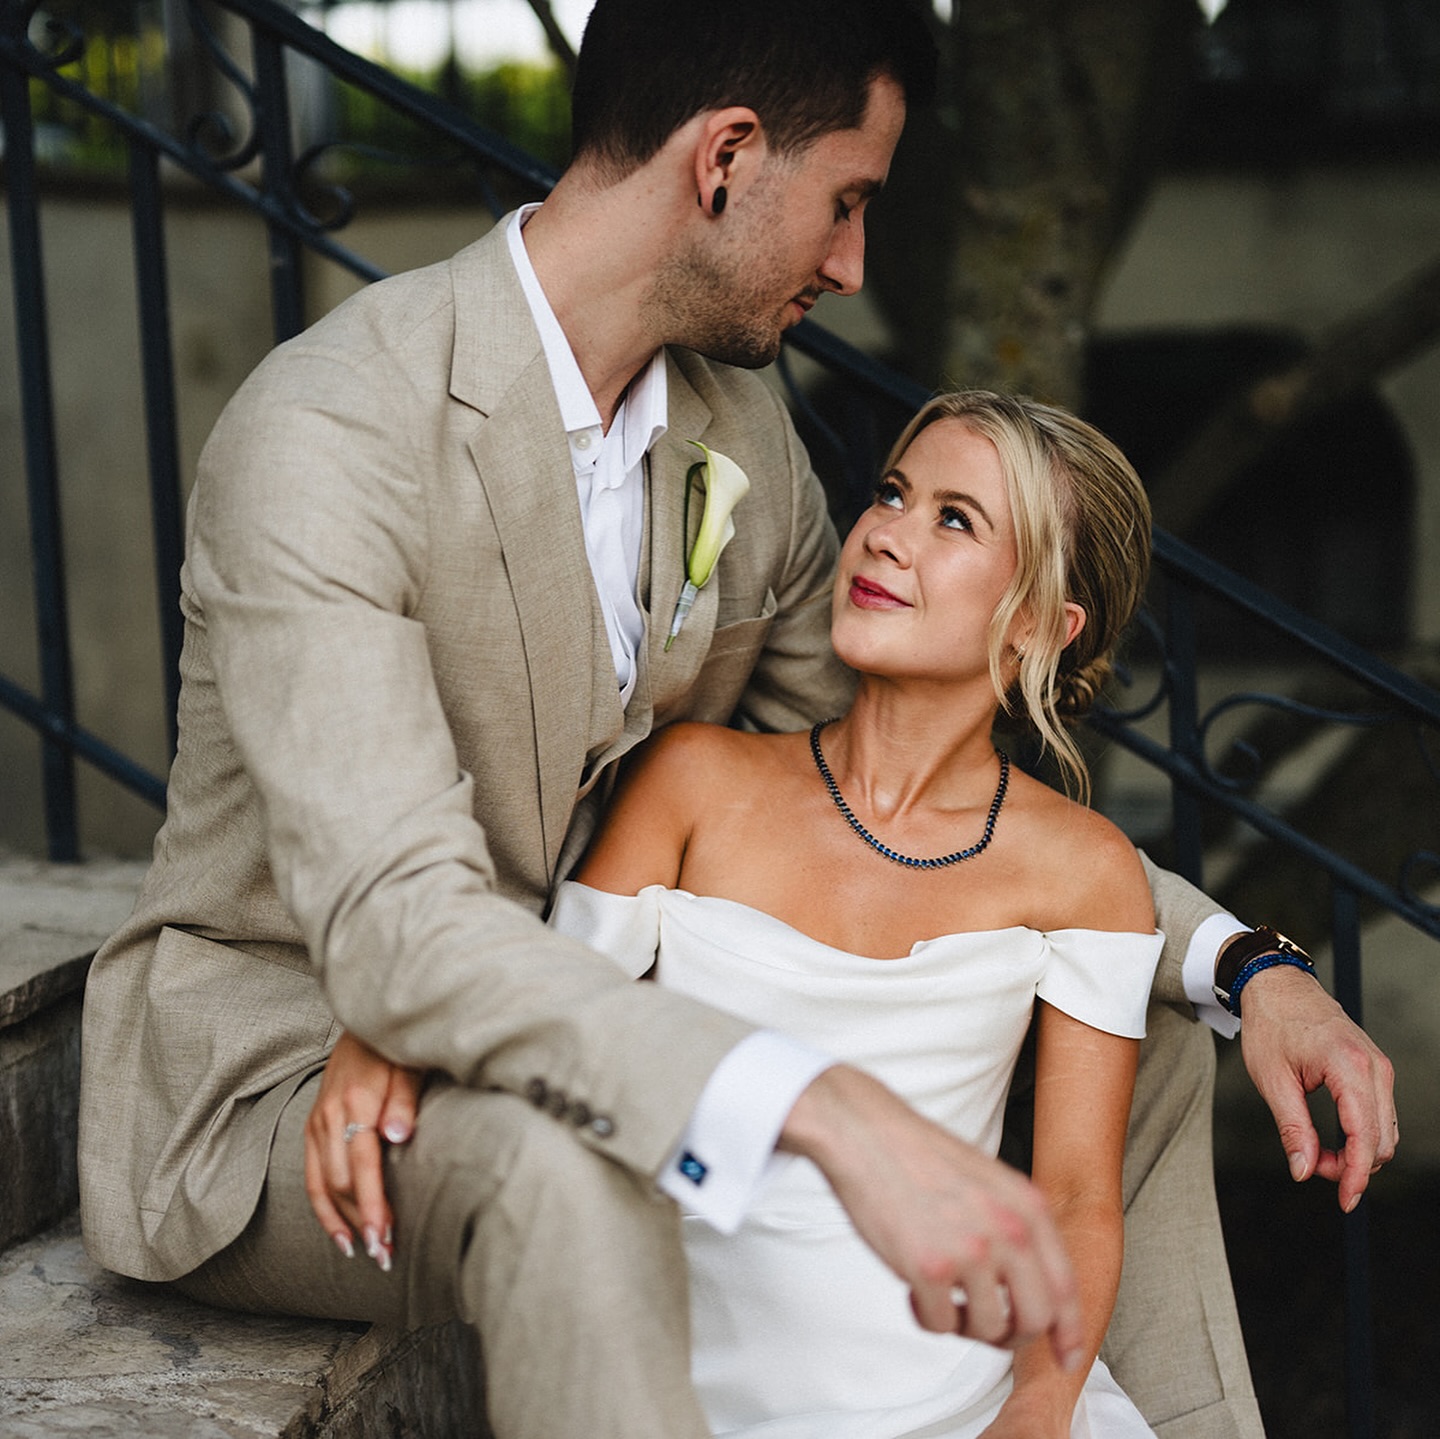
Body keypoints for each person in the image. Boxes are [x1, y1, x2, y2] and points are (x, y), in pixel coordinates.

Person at [75, 3, 1395, 1438]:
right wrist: (823, 1102)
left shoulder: (736, 434)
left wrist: (1249, 962)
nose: (854, 263)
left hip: (526, 1006)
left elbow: (917, 796)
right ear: (726, 160)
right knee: (555, 1166)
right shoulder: (331, 432)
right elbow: (394, 928)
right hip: (297, 1079)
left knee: (1147, 1025)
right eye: (849, 202)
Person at [553, 388, 1165, 1437]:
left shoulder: (1086, 870)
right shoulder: (693, 781)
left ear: (1036, 624)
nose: (886, 532)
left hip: (972, 1399)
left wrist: (1042, 1403)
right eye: (892, 492)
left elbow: (1074, 1194)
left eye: (954, 518)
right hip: (679, 1389)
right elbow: (552, 1049)